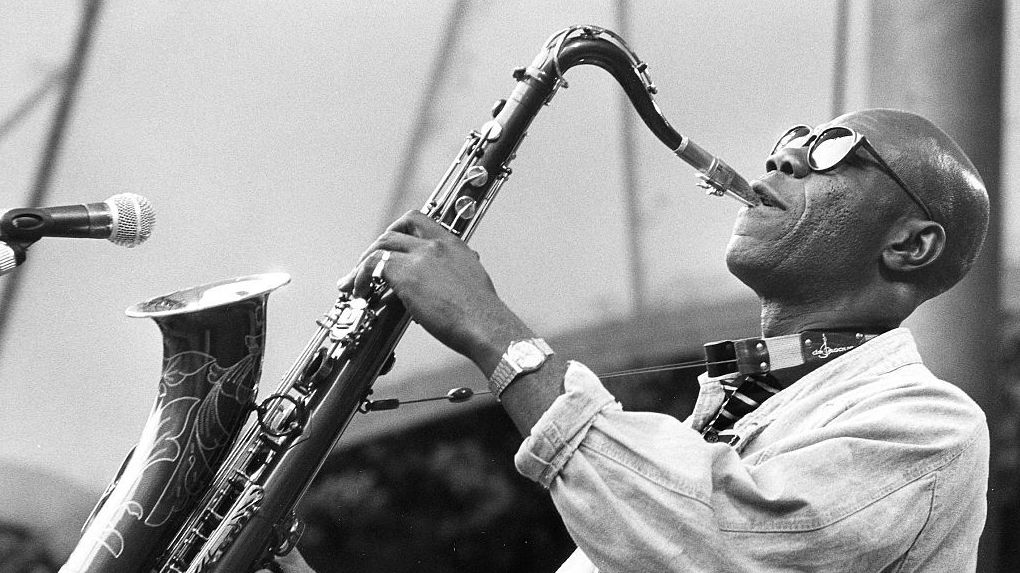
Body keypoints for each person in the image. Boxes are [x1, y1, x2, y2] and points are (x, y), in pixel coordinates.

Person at [262, 108, 990, 572]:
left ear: (912, 243)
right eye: (788, 140)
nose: (784, 159)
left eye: (834, 149)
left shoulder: (932, 428)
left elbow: (726, 542)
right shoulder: (729, 416)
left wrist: (494, 333)